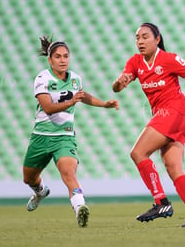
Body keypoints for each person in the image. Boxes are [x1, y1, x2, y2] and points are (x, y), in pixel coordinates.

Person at [112, 22, 185, 227]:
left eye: (145, 37)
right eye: (137, 37)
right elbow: (117, 88)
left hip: (174, 112)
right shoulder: (135, 62)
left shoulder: (168, 59)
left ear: (157, 39)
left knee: (138, 153)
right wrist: (119, 81)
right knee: (174, 168)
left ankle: (161, 202)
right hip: (175, 117)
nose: (140, 41)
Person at [23, 36, 119, 228]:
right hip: (41, 137)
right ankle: (40, 191)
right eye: (58, 56)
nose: (63, 60)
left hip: (64, 137)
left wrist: (104, 104)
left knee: (68, 173)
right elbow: (48, 108)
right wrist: (70, 102)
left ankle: (80, 207)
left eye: (66, 56)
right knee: (29, 178)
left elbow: (82, 96)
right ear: (50, 60)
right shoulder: (43, 78)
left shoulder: (75, 79)